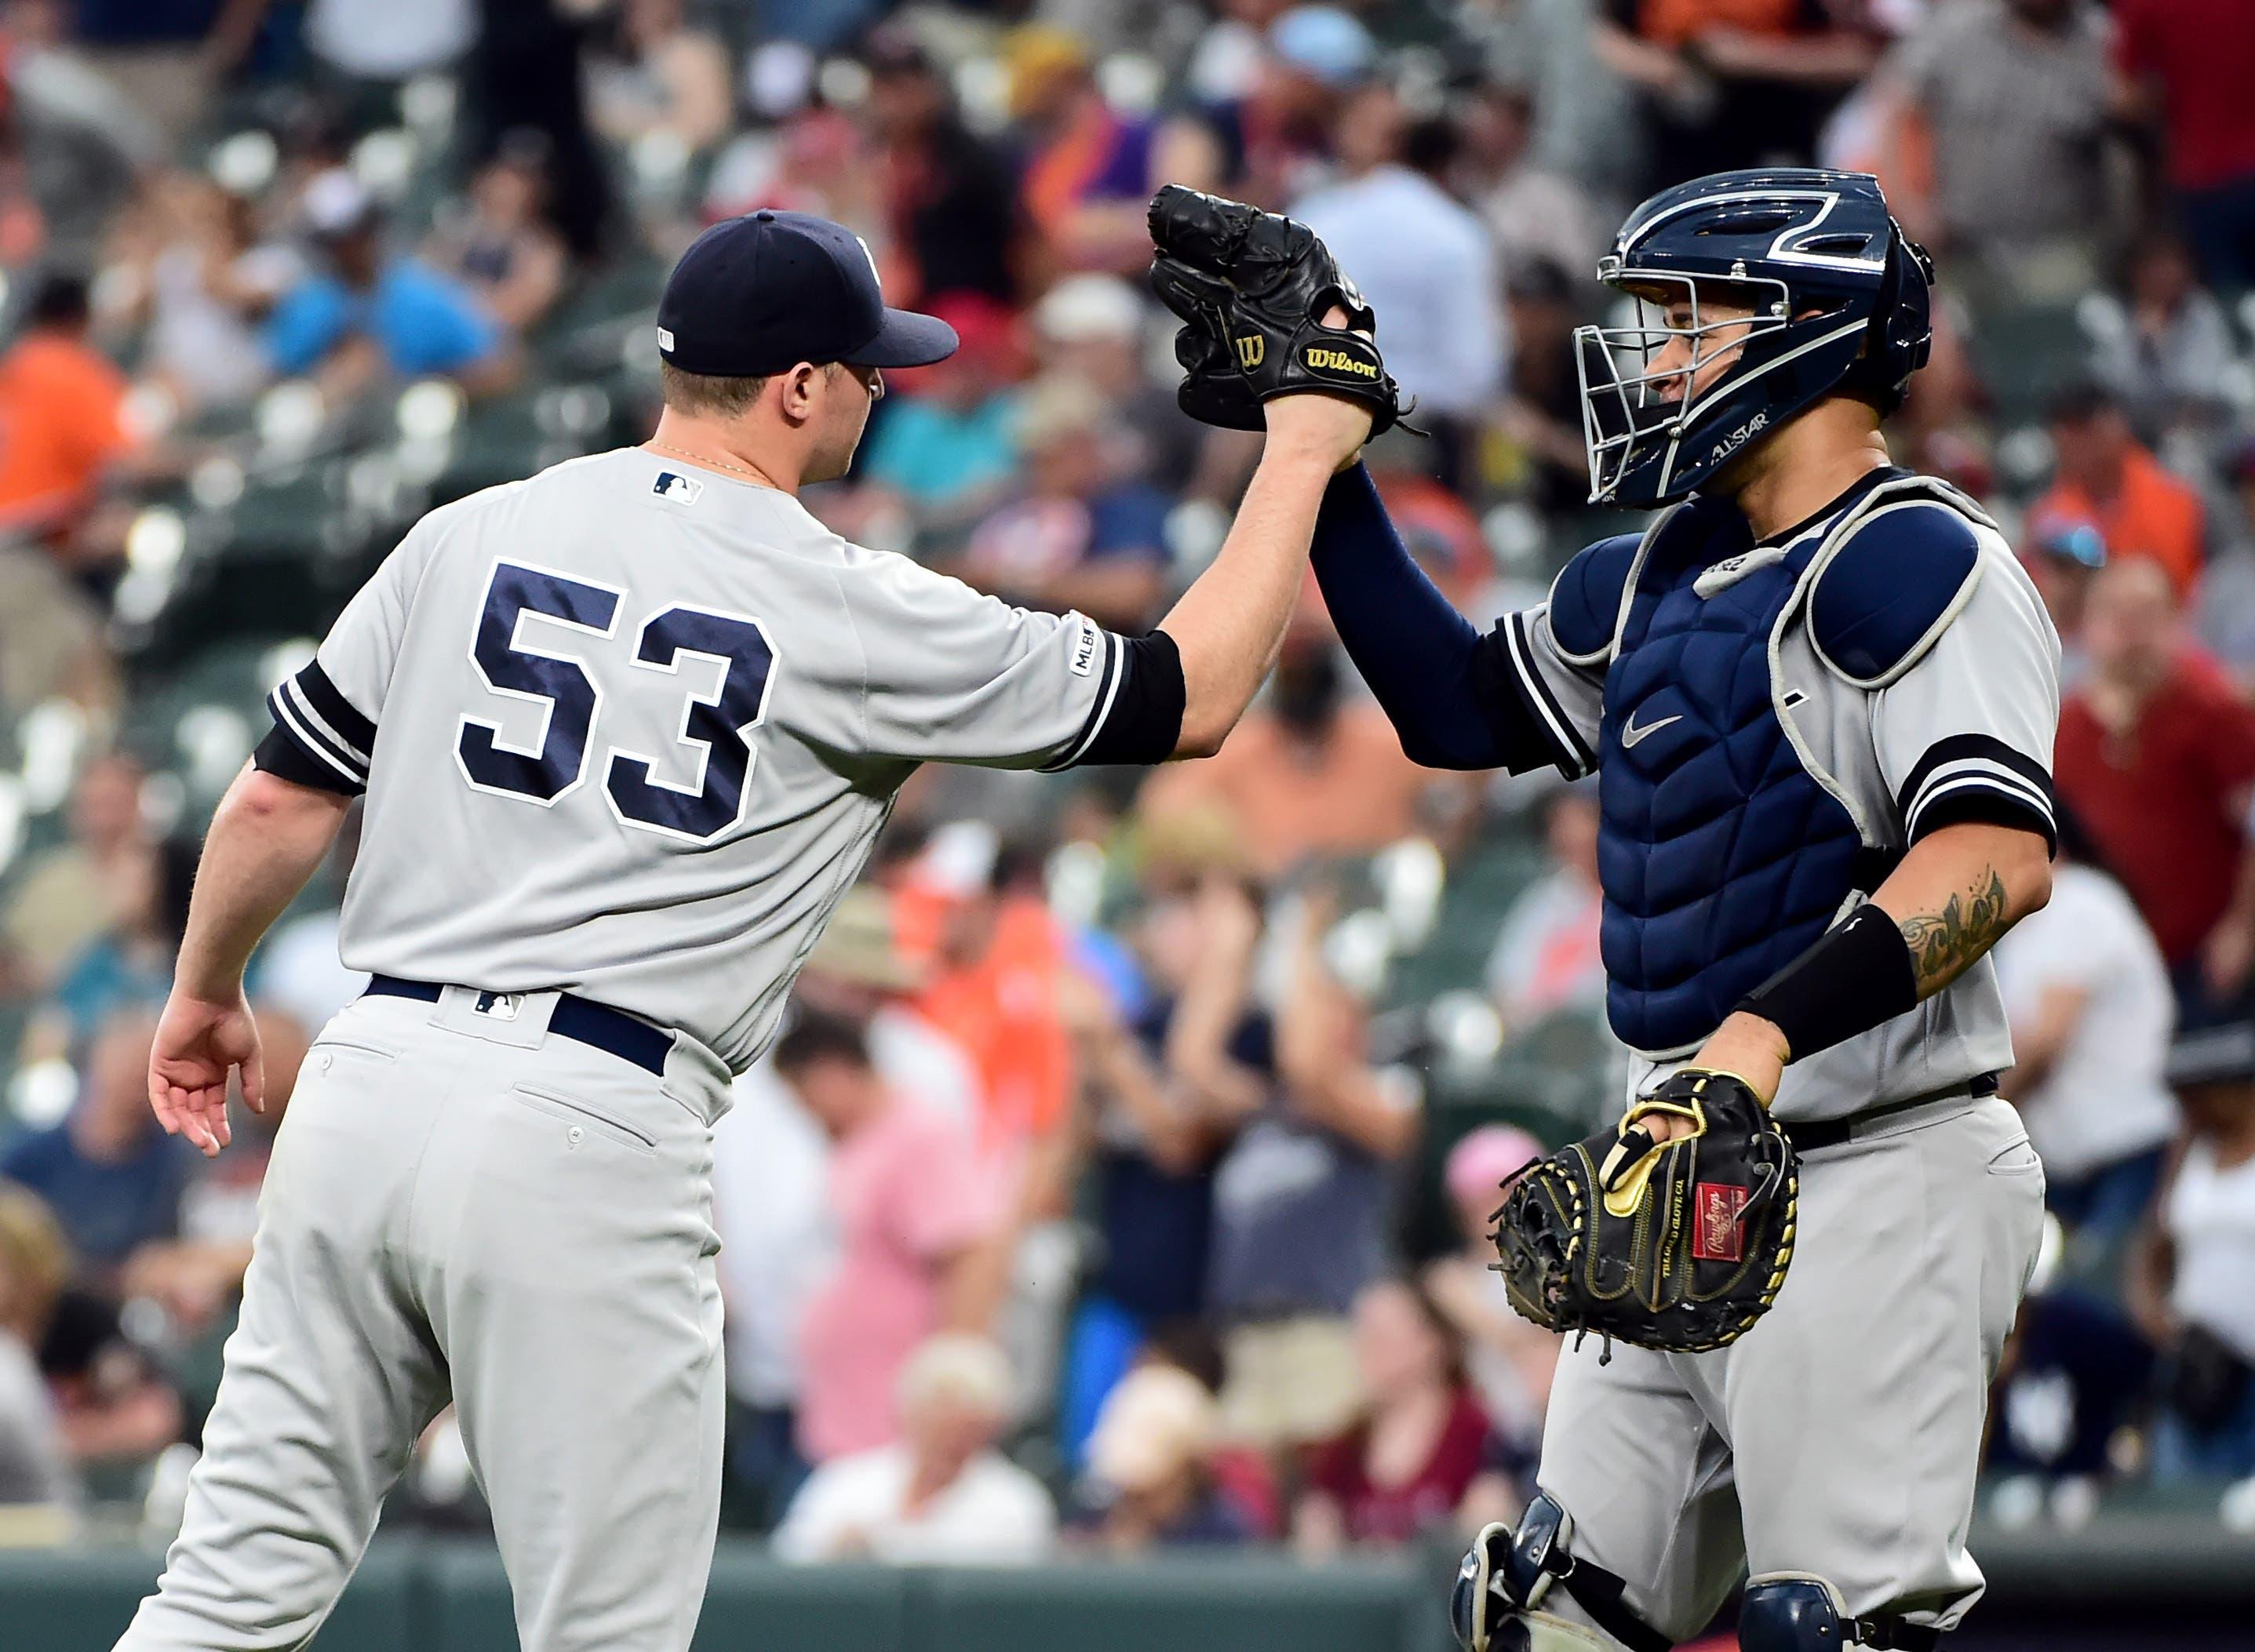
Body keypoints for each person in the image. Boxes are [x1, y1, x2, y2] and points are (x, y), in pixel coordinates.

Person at [108, 201, 1376, 1651]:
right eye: (860, 365)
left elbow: (277, 800)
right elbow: (1194, 694)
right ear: (793, 388)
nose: (880, 387)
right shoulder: (850, 603)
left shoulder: (469, 530)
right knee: (608, 1635)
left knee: (226, 1591)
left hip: (365, 1074)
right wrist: (1296, 446)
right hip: (587, 1113)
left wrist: (205, 985)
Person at [1275, 169, 2055, 1648]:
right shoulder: (1656, 573)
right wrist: (1321, 451)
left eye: (1690, 320)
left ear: (1805, 335)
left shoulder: (1920, 563)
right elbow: (1451, 707)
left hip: (1878, 1160)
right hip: (1676, 1168)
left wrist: (1763, 1032)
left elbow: (1994, 856)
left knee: (1826, 1629)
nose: (1652, 357)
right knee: (1542, 1618)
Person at [777, 1009, 1006, 1465]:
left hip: (891, 1422)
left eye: (804, 1096)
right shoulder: (863, 1137)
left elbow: (971, 1255)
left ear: (831, 1074)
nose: (804, 1113)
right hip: (848, 1413)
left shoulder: (918, 1135)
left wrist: (950, 1386)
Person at [2052, 555, 2255, 1013]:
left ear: (2175, 619)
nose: (2130, 630)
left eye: (2146, 613)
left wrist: (2242, 927)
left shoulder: (2212, 710)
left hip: (2202, 955)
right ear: (2089, 623)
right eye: (2115, 613)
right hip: (2108, 965)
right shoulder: (2063, 730)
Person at [1992, 815, 2177, 1263]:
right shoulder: (2020, 926)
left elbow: (2044, 1041)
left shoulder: (2080, 902)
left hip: (2126, 1152)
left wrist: (1980, 1110)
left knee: (2101, 1309)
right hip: (2067, 1167)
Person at [770, 1333, 1055, 1564]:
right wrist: (836, 1553)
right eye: (937, 1421)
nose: (950, 1440)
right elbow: (787, 1561)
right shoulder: (844, 1479)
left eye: (965, 1429)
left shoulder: (1016, 1504)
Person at [2129, 1022, 2255, 1481]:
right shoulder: (2189, 1151)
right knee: (2178, 1513)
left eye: (2198, 1093)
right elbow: (2151, 1247)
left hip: (2251, 1377)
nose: (2188, 1107)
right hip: (2193, 1371)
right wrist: (2158, 1320)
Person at [1295, 1277, 1494, 1554]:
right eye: (1361, 1336)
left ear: (1431, 1342)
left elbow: (1486, 1526)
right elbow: (1316, 1537)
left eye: (1382, 1337)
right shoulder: (1346, 1446)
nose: (1367, 1350)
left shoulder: (1475, 1432)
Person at [2031, 384, 2206, 601]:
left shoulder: (2179, 498)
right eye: (2070, 432)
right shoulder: (2048, 516)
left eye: (2086, 428)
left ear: (2116, 425)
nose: (2080, 444)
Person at [0, 274, 137, 546]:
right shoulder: (75, 369)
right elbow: (124, 460)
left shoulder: (16, 362)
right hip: (36, 534)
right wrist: (198, 459)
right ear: (82, 317)